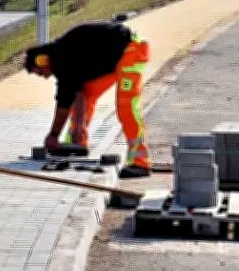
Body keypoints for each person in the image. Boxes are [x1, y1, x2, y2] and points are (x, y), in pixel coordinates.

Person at [24, 20, 151, 178]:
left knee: (126, 106)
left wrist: (53, 135)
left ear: (42, 60)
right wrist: (69, 129)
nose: (44, 77)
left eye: (40, 73)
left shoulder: (62, 58)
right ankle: (77, 142)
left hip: (130, 50)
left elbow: (63, 104)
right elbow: (78, 95)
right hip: (113, 59)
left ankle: (140, 162)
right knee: (88, 93)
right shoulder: (62, 54)